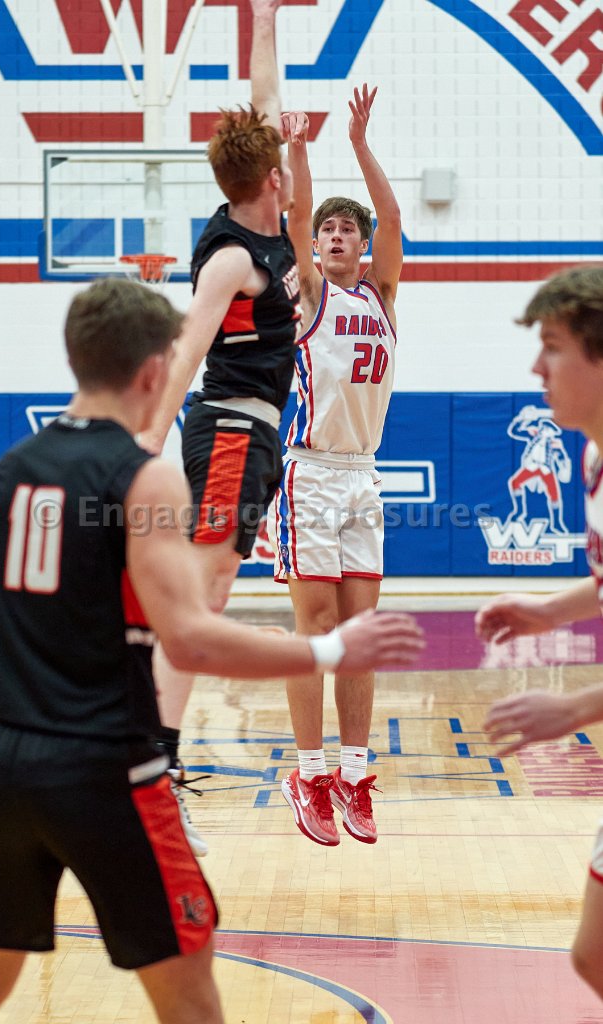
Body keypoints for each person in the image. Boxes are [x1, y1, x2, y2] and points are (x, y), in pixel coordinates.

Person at [0, 277, 424, 1024]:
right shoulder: (143, 475)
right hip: (106, 766)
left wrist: (41, 667)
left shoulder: (10, 468)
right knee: (191, 1003)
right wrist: (326, 652)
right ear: (156, 369)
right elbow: (188, 638)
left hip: (3, 766)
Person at [140, 0, 300, 855]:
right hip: (231, 428)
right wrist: (141, 441)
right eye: (282, 158)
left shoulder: (266, 219)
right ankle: (154, 777)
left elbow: (264, 93)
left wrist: (263, 17)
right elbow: (188, 342)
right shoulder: (234, 256)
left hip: (252, 433)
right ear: (273, 176)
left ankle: (146, 765)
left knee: (208, 598)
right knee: (200, 607)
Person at [267, 86, 402, 847]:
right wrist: (299, 149)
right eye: (330, 230)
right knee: (313, 629)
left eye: (350, 227)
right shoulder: (312, 292)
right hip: (311, 473)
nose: (340, 234)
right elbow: (294, 218)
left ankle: (353, 775)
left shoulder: (382, 295)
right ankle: (308, 773)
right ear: (318, 249)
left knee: (360, 632)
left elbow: (395, 219)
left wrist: (359, 143)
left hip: (362, 474)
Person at [476, 265, 603, 1001]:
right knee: (595, 958)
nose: (535, 367)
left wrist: (574, 708)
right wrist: (547, 612)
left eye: (552, 346)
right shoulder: (592, 454)